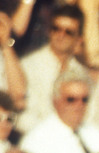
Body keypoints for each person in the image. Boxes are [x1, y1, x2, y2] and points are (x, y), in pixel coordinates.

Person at [17, 4, 89, 133]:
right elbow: (23, 117)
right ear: (49, 31)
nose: (61, 35)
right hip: (36, 134)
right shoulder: (29, 65)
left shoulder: (81, 73)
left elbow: (87, 115)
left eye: (68, 32)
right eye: (56, 29)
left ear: (79, 40)